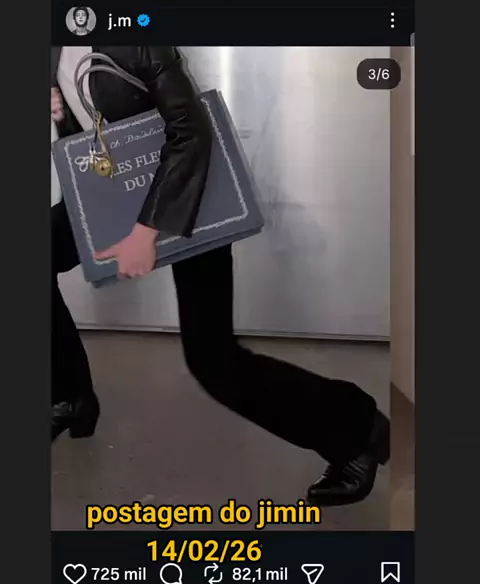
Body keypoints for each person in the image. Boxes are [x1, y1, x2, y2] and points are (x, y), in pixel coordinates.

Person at [51, 46, 390, 507]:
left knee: (214, 361)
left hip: (187, 191)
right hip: (121, 191)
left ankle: (356, 429)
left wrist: (146, 233)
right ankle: (70, 395)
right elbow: (93, 147)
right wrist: (64, 115)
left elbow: (191, 130)